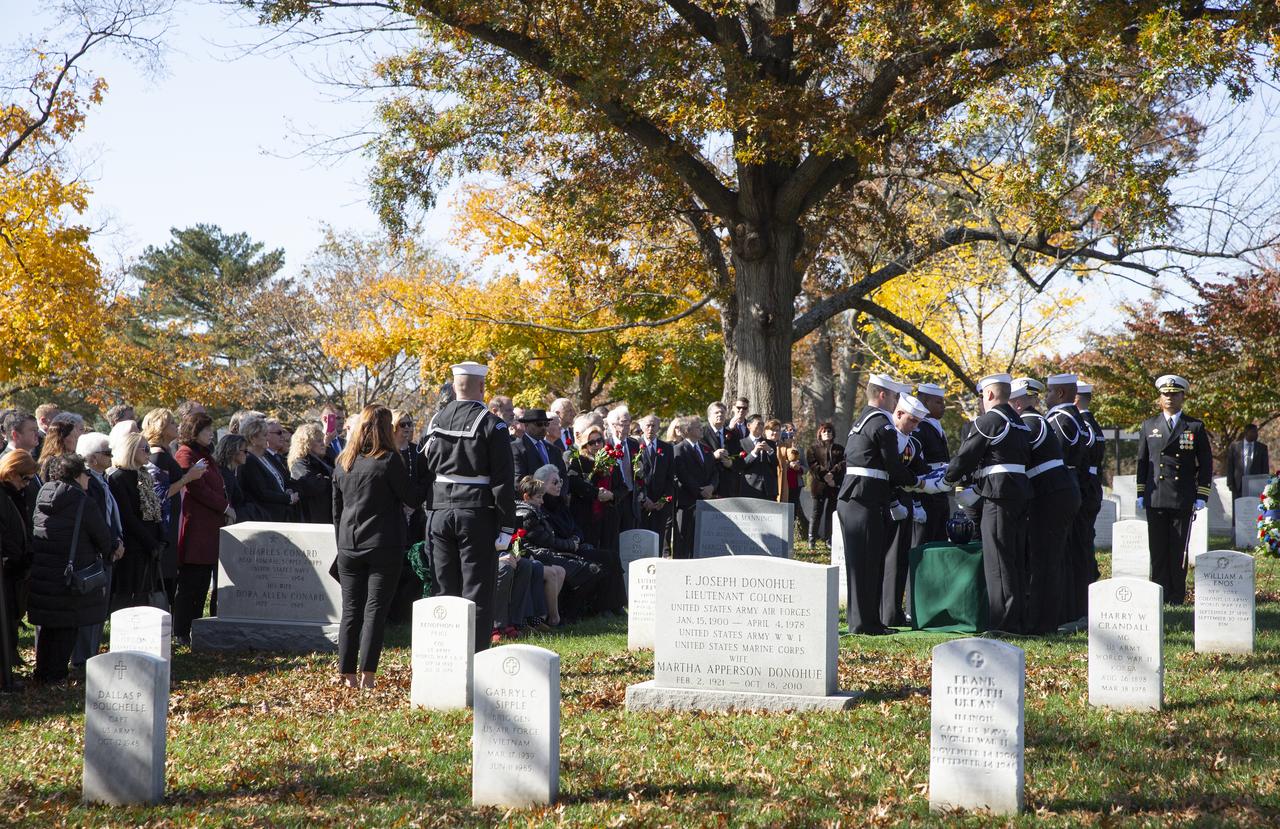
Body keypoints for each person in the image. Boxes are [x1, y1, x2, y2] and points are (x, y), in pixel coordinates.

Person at [423, 362, 518, 654]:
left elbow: (425, 468)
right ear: (482, 387)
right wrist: (506, 526)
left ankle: (444, 655)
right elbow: (503, 480)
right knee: (476, 590)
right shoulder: (492, 423)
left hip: (439, 511)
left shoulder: (435, 420)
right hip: (476, 512)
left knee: (444, 588)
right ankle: (475, 656)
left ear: (453, 387)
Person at [838, 373, 931, 635]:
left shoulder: (863, 419)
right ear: (882, 395)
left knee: (860, 563)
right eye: (893, 396)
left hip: (856, 497)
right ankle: (868, 624)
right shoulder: (882, 423)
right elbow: (894, 467)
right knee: (869, 562)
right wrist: (921, 484)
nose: (896, 401)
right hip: (866, 498)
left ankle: (862, 621)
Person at [332, 405, 417, 689]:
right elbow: (411, 497)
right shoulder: (388, 461)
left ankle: (347, 674)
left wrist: (341, 543)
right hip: (383, 545)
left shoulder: (343, 461)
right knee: (374, 612)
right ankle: (367, 675)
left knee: (351, 611)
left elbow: (336, 510)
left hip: (348, 544)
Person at [941, 373, 1033, 634]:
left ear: (990, 395)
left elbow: (967, 455)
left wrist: (948, 479)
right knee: (1014, 559)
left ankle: (1002, 622)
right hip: (1018, 494)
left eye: (983, 396)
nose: (982, 401)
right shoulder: (1019, 422)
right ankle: (1016, 618)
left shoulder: (990, 420)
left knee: (998, 561)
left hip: (997, 497)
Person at [27, 454, 112, 683]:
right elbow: (103, 536)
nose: (88, 478)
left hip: (44, 572)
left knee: (49, 627)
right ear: (76, 475)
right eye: (85, 473)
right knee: (67, 626)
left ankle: (42, 673)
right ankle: (56, 676)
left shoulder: (43, 494)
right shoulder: (82, 501)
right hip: (70, 574)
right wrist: (113, 548)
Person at [1009, 378, 1080, 633]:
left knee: (1045, 561)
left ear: (1017, 403)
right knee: (1049, 560)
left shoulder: (1030, 422)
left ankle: (1042, 623)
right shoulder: (1037, 420)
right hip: (1056, 493)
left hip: (1052, 496)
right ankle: (1048, 618)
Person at [1136, 374, 1212, 606]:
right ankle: (1159, 594)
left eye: (1174, 394)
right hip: (1156, 496)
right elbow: (1142, 461)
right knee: (1157, 550)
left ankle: (1176, 596)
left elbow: (1206, 462)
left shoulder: (1194, 426)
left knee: (1178, 550)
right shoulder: (1149, 425)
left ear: (1182, 397)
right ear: (1160, 397)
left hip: (1181, 497)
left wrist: (1201, 495)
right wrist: (1141, 492)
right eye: (1165, 394)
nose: (1169, 398)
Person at [174, 412, 230, 645]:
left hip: (210, 526)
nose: (210, 434)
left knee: (202, 582)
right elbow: (199, 489)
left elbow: (218, 484)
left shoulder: (206, 455)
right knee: (192, 583)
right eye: (206, 430)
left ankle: (196, 628)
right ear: (194, 431)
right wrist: (225, 506)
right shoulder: (185, 454)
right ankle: (181, 631)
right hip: (197, 527)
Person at [1043, 373, 1094, 624]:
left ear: (1060, 393)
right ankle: (1077, 608)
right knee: (1075, 550)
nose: (1046, 397)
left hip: (1060, 487)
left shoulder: (1058, 420)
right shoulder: (1076, 418)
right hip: (1075, 486)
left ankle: (1066, 610)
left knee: (1063, 552)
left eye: (1049, 392)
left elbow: (1055, 454)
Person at [72, 433, 123, 670]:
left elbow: (112, 516)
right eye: (107, 453)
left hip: (110, 550)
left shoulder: (105, 480)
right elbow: (96, 522)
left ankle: (90, 654)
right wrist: (111, 545)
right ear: (91, 458)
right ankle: (83, 659)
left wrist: (118, 540)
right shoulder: (88, 483)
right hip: (96, 554)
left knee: (99, 610)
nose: (112, 456)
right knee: (91, 610)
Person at [879, 395, 932, 628]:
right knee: (887, 558)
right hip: (886, 501)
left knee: (900, 558)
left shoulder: (914, 443)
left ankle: (894, 610)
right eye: (913, 421)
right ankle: (884, 611)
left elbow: (920, 472)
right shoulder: (887, 436)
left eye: (918, 422)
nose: (915, 426)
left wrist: (918, 501)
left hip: (906, 500)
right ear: (898, 414)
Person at [143, 408, 204, 606]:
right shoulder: (157, 456)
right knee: (162, 576)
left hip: (171, 521)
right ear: (160, 427)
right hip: (163, 524)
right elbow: (160, 494)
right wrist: (189, 477)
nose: (176, 426)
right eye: (171, 423)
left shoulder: (166, 452)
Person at [107, 433, 167, 611]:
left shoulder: (144, 475)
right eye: (145, 448)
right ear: (131, 450)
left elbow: (155, 510)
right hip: (134, 545)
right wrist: (150, 542)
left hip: (151, 544)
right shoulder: (118, 478)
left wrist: (161, 539)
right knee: (130, 595)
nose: (149, 452)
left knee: (146, 594)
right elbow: (127, 516)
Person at [0, 450, 37, 670]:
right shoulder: (4, 496)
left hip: (15, 570)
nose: (27, 484)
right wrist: (15, 557)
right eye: (25, 478)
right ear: (11, 472)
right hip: (7, 569)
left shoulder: (14, 495)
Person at [911, 383, 952, 546]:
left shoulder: (935, 426)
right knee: (924, 543)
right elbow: (914, 463)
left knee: (940, 542)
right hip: (925, 492)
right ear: (925, 402)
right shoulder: (918, 427)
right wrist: (917, 502)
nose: (943, 406)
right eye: (938, 402)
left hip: (940, 491)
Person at [672, 416, 718, 559]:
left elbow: (714, 471)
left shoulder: (705, 448)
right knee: (683, 541)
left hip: (705, 501)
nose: (701, 428)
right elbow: (683, 475)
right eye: (698, 426)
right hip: (687, 502)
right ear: (688, 430)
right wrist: (699, 490)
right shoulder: (679, 449)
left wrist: (712, 486)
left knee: (700, 541)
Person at [240, 416, 299, 521]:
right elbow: (261, 492)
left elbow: (282, 480)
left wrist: (289, 490)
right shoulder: (248, 460)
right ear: (252, 438)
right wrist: (288, 498)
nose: (268, 438)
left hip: (281, 516)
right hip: (265, 518)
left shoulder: (266, 456)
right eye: (264, 435)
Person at [636, 414, 675, 552]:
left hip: (660, 504)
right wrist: (644, 499)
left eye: (654, 425)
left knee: (657, 543)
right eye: (647, 425)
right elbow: (634, 476)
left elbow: (670, 478)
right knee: (641, 542)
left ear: (659, 427)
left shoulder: (667, 448)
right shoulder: (635, 446)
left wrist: (663, 500)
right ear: (641, 426)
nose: (650, 428)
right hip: (641, 504)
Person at [806, 422, 845, 548]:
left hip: (834, 485)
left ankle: (829, 540)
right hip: (819, 486)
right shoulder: (813, 449)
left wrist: (833, 475)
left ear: (833, 434)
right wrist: (825, 476)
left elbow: (844, 463)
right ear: (820, 434)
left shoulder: (839, 449)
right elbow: (813, 465)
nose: (827, 434)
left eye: (829, 431)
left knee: (831, 513)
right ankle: (811, 540)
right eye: (824, 431)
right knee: (816, 512)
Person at [289, 423, 334, 524]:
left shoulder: (325, 459)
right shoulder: (300, 463)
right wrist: (329, 479)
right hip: (314, 517)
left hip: (328, 513)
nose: (323, 443)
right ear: (306, 443)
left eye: (322, 440)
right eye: (318, 441)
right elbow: (313, 485)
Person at [605, 406, 639, 532]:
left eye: (629, 422)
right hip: (613, 497)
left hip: (631, 497)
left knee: (629, 534)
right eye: (624, 423)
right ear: (613, 425)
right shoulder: (606, 445)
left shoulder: (633, 444)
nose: (628, 426)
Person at [704, 402, 743, 497]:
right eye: (716, 412)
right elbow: (696, 458)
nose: (720, 414)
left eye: (722, 412)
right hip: (709, 486)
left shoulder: (733, 434)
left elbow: (740, 457)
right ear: (709, 417)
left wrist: (731, 463)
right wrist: (713, 456)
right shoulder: (702, 434)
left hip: (729, 486)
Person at [1227, 423, 1269, 502]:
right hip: (1238, 485)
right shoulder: (1235, 447)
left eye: (1257, 432)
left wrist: (1265, 483)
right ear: (1246, 433)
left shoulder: (1262, 448)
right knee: (1238, 509)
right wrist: (1229, 483)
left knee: (1254, 508)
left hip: (1256, 485)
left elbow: (1265, 467)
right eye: (1253, 432)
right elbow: (1230, 466)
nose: (1256, 434)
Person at [740, 419, 780, 500]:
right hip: (750, 486)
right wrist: (754, 452)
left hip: (769, 488)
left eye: (762, 424)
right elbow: (741, 465)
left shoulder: (770, 443)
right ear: (749, 426)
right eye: (758, 424)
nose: (761, 426)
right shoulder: (741, 443)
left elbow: (775, 464)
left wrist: (769, 450)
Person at [214, 434, 249, 525]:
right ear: (233, 451)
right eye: (245, 451)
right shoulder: (224, 474)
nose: (247, 454)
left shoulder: (229, 472)